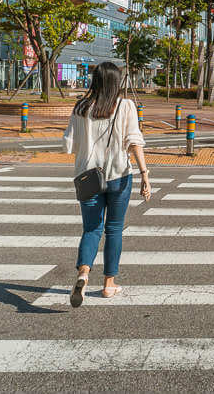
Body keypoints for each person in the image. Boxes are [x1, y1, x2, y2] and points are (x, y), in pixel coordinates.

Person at [63, 61, 150, 307]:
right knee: (113, 228)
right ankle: (109, 285)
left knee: (91, 229)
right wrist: (145, 174)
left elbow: (68, 145)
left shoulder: (81, 107)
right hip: (119, 175)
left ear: (95, 80)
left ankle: (83, 273)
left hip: (88, 177)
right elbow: (134, 141)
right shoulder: (125, 106)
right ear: (116, 81)